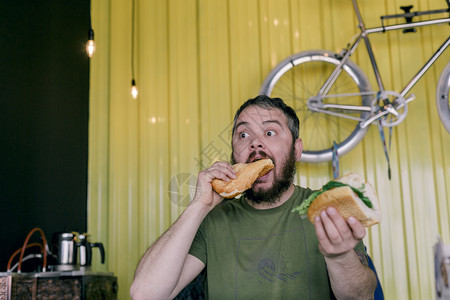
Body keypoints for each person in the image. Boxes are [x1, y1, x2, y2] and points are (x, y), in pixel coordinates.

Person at [130, 95, 377, 299]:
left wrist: (340, 256)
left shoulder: (326, 207)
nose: (255, 144)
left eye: (270, 133)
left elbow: (361, 296)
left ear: (296, 149)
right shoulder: (213, 220)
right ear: (233, 154)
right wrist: (199, 205)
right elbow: (144, 294)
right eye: (243, 135)